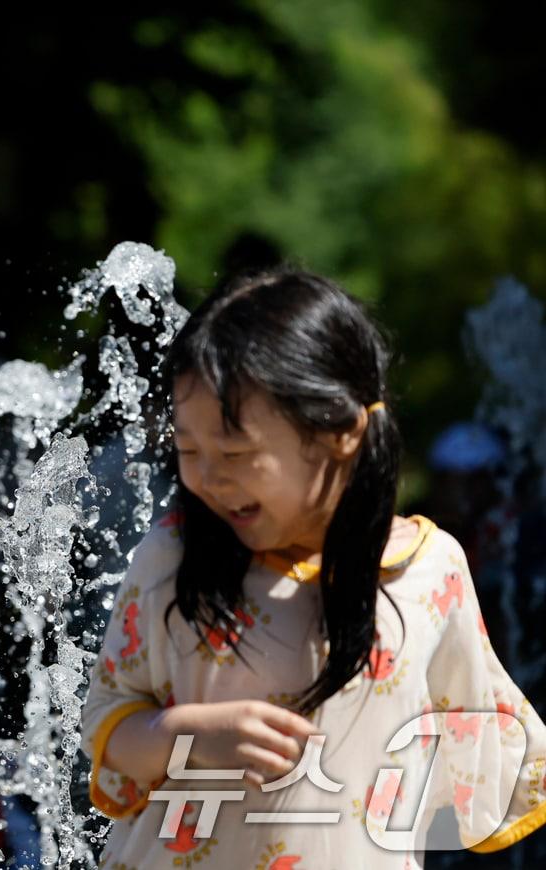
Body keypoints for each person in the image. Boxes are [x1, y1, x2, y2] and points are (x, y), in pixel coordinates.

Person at [79, 268, 545, 867]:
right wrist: (190, 737)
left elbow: (495, 761)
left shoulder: (427, 573)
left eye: (236, 452)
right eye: (188, 450)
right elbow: (107, 723)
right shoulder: (171, 557)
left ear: (340, 432)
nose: (208, 478)